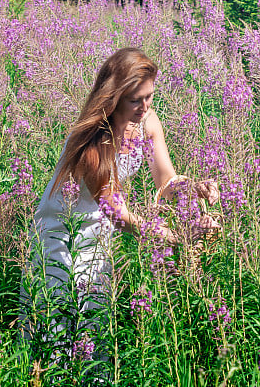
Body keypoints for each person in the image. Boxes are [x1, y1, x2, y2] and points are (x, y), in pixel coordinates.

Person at [21, 47, 220, 356]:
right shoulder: (94, 139)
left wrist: (194, 188)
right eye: (134, 100)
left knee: (93, 327)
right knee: (56, 324)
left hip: (99, 230)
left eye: (149, 96)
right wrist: (176, 237)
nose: (144, 107)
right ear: (114, 97)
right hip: (61, 232)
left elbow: (166, 181)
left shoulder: (148, 122)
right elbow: (117, 215)